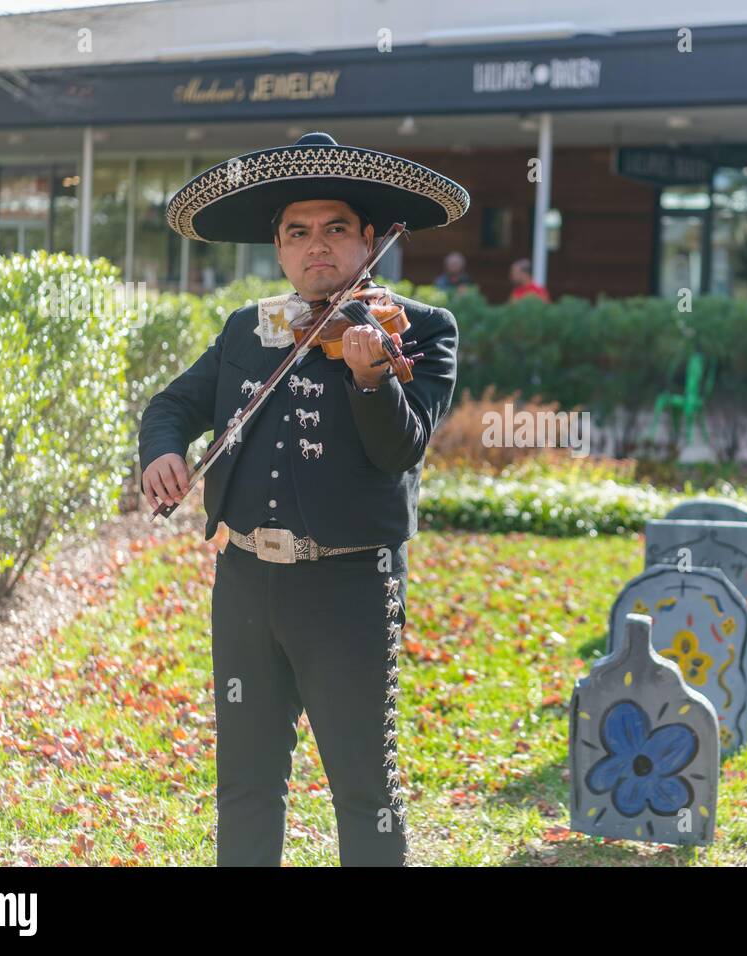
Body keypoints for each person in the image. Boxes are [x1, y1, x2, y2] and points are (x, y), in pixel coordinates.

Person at [139, 131, 469, 866]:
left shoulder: (418, 329)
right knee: (247, 783)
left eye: (335, 229)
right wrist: (163, 450)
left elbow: (400, 450)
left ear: (371, 240)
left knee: (363, 788)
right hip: (246, 581)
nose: (316, 247)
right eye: (298, 233)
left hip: (350, 587)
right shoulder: (247, 330)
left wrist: (370, 381)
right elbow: (172, 404)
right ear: (280, 249)